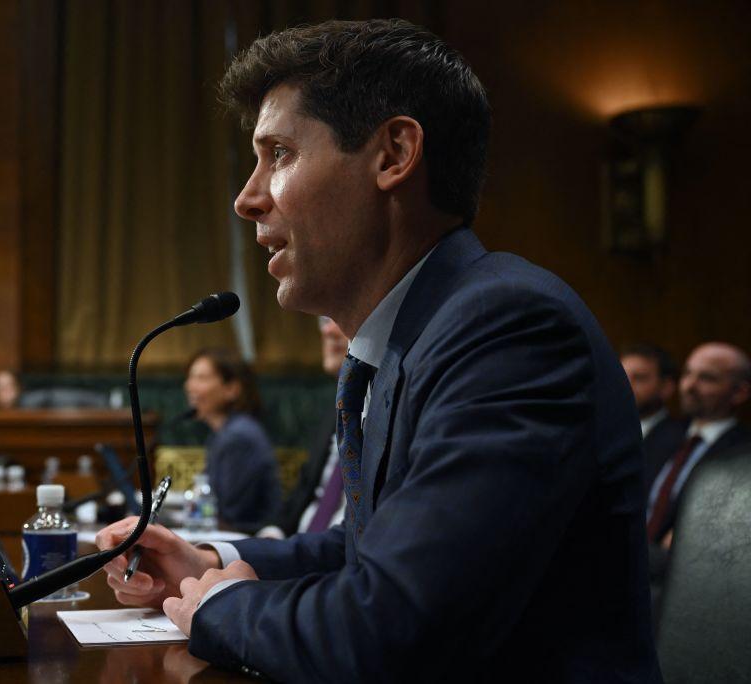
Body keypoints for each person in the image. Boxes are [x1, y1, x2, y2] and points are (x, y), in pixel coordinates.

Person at [96, 19, 659, 682]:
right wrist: (211, 562)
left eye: (278, 154)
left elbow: (391, 628)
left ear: (393, 154)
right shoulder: (412, 336)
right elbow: (367, 554)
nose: (247, 199)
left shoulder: (509, 328)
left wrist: (228, 607)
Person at [646, 342, 751, 548]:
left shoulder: (744, 452)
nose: (689, 386)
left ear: (740, 392)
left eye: (706, 378)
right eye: (687, 374)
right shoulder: (662, 432)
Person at [259, 317, 349, 538]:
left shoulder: (390, 411)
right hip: (297, 546)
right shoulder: (335, 409)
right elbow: (305, 490)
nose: (328, 330)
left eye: (340, 316)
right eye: (325, 319)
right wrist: (273, 534)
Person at [183, 348, 280, 533]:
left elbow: (229, 516)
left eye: (201, 378)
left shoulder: (238, 438)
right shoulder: (224, 433)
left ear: (231, 389)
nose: (189, 386)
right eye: (190, 377)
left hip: (248, 546)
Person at [620, 343, 688, 496]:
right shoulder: (600, 432)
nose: (625, 384)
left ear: (666, 388)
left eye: (639, 378)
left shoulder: (682, 440)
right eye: (621, 376)